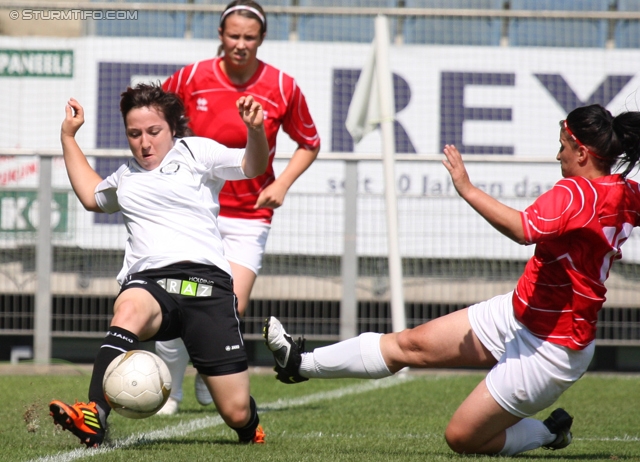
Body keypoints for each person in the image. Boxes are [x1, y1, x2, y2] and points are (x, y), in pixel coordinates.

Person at [264, 104, 640, 456]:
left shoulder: (576, 192)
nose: (557, 155)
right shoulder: (625, 193)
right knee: (409, 344)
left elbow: (525, 229)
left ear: (581, 151)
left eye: (562, 147)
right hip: (518, 312)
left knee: (461, 438)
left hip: (552, 350)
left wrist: (467, 188)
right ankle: (299, 362)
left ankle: (547, 433)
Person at [49, 83, 269, 448]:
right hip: (151, 284)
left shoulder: (195, 152)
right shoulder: (126, 178)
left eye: (154, 131)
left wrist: (256, 130)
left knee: (236, 412)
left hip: (206, 287)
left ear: (173, 129)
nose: (144, 142)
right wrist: (68, 136)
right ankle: (95, 416)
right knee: (129, 307)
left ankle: (250, 427)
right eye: (134, 134)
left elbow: (252, 165)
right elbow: (91, 196)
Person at [155, 0, 321, 415]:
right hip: (194, 211)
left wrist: (281, 183)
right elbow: (156, 118)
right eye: (234, 35)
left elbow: (310, 142)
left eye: (249, 37)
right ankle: (168, 393)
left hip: (250, 213)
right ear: (221, 35)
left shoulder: (283, 86)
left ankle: (207, 375)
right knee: (176, 298)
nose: (241, 44)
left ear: (261, 39)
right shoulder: (192, 77)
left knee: (230, 305)